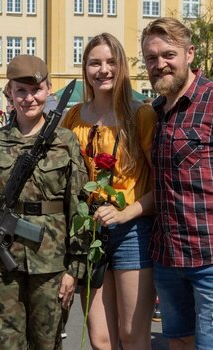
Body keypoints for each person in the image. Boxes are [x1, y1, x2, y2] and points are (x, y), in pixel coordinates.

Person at [0, 54, 88, 349]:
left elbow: (79, 205)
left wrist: (74, 269)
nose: (29, 98)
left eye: (36, 90)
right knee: (5, 342)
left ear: (48, 89)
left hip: (52, 263)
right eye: (21, 91)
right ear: (9, 94)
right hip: (2, 265)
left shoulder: (64, 141)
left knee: (47, 341)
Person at [61, 33, 157, 350]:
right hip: (90, 233)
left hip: (133, 230)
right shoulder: (73, 118)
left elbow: (162, 186)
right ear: (85, 69)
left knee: (132, 334)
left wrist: (124, 212)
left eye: (110, 62)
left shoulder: (140, 114)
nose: (103, 70)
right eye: (94, 63)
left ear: (121, 66)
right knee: (101, 339)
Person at [141, 17, 213, 350]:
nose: (160, 64)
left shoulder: (211, 101)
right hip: (167, 257)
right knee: (178, 342)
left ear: (189, 54)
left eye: (168, 54)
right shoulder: (155, 111)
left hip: (208, 257)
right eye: (151, 58)